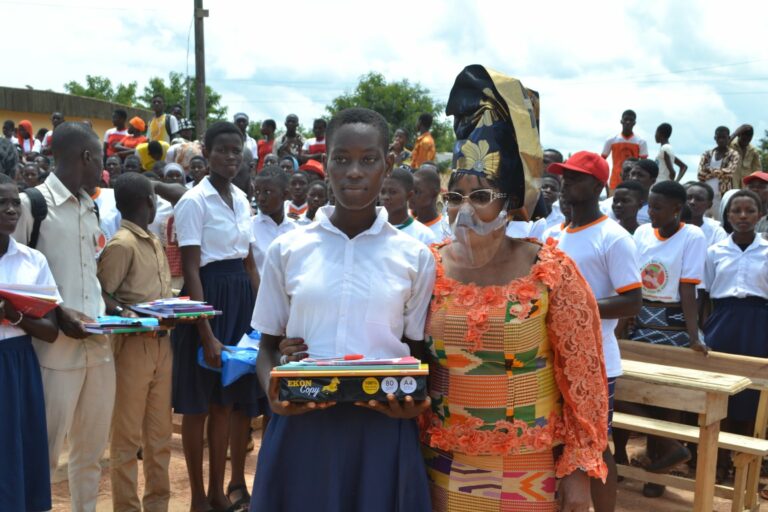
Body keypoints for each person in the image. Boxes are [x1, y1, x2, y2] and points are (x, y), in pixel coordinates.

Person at [421, 65, 608, 512]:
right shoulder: (426, 269)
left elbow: (584, 382)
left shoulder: (551, 272)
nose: (465, 211)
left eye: (481, 196)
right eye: (455, 197)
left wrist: (578, 471)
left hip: (529, 470)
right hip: (443, 463)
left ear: (511, 202)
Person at [250, 107, 434, 512]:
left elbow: (417, 353)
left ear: (387, 166)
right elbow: (267, 347)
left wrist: (414, 403)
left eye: (368, 160)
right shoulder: (289, 249)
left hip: (382, 426)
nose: (353, 171)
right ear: (326, 163)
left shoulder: (415, 256)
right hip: (303, 423)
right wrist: (272, 392)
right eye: (341, 158)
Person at [13, 121, 114, 512]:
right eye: (100, 157)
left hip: (99, 346)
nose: (103, 167)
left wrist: (119, 311)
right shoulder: (30, 205)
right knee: (44, 452)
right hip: (51, 352)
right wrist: (57, 312)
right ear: (86, 157)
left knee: (90, 452)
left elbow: (89, 275)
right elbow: (11, 276)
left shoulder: (92, 207)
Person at [172, 122, 262, 512]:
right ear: (206, 153)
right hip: (206, 300)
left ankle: (217, 493)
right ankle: (196, 498)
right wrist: (205, 332)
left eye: (236, 150)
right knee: (197, 405)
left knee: (226, 403)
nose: (230, 157)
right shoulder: (194, 201)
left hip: (240, 299)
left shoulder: (242, 198)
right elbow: (192, 269)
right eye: (222, 150)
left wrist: (262, 318)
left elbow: (249, 262)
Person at [550, 151, 643, 512]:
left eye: (576, 176)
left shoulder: (614, 237)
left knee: (596, 445)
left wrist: (574, 305)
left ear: (598, 184)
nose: (566, 181)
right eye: (565, 175)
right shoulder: (552, 234)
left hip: (597, 359)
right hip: (554, 355)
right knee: (557, 441)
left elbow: (632, 301)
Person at [97, 172, 174, 512]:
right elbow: (102, 295)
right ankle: (126, 508)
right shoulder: (121, 244)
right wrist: (131, 315)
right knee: (127, 438)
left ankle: (157, 504)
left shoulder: (153, 241)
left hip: (162, 345)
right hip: (132, 348)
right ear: (149, 202)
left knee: (159, 438)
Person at [0, 173, 60, 512]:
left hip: (18, 364)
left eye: (15, 203)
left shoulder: (32, 260)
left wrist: (14, 315)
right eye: (2, 203)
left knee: (16, 447)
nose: (11, 209)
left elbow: (51, 330)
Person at [701, 190, 767, 478]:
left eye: (749, 210)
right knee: (720, 392)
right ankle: (718, 461)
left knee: (754, 394)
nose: (743, 216)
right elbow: (704, 294)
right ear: (726, 216)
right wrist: (706, 330)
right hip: (724, 322)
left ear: (760, 215)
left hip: (760, 324)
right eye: (736, 211)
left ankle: (746, 462)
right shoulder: (715, 252)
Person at [251, 165, 296, 274]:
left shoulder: (296, 230)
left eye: (268, 192)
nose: (261, 198)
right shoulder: (249, 227)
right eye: (257, 192)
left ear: (285, 195)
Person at [380, 167, 439, 245]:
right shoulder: (372, 229)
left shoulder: (424, 236)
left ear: (409, 195)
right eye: (382, 192)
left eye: (393, 192)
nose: (386, 197)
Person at [697, 126, 740, 220]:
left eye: (723, 137)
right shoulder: (707, 154)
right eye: (718, 137)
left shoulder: (733, 154)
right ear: (715, 138)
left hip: (721, 196)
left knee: (721, 224)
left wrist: (709, 171)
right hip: (706, 195)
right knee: (702, 223)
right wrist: (720, 172)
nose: (721, 140)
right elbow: (700, 174)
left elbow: (729, 172)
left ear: (728, 138)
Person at [601, 110, 648, 192]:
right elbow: (601, 161)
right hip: (615, 182)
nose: (628, 122)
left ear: (634, 123)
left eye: (631, 120)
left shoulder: (641, 141)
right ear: (621, 121)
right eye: (626, 119)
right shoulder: (611, 140)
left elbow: (644, 166)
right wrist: (604, 182)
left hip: (634, 182)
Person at [411, 164, 451, 241]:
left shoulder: (446, 230)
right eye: (410, 190)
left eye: (416, 191)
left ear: (434, 193)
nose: (411, 196)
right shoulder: (406, 227)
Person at [684, 182, 728, 246]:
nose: (692, 202)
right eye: (688, 197)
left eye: (699, 199)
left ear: (709, 205)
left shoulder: (716, 233)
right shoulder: (670, 228)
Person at [624, 158, 658, 225]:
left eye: (640, 175)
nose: (634, 178)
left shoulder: (656, 211)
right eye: (633, 174)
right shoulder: (615, 204)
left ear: (653, 181)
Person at [729, 124, 762, 189]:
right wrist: (736, 132)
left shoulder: (753, 151)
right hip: (730, 187)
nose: (747, 138)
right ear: (739, 135)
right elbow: (722, 145)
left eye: (750, 136)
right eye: (744, 135)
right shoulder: (730, 146)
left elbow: (757, 172)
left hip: (746, 189)